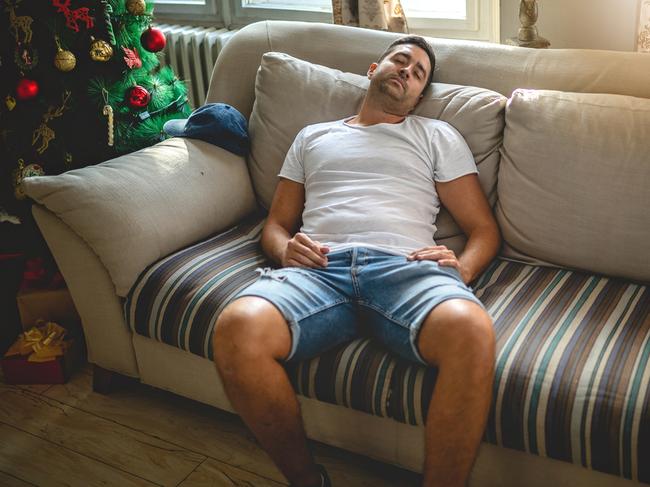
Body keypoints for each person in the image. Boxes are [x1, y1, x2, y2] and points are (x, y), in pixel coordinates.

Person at [213, 35, 501, 487]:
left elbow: (484, 231)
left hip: (404, 268)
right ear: (373, 68)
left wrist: (461, 269)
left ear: (419, 96)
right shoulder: (313, 136)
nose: (406, 71)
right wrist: (284, 248)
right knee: (237, 327)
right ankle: (308, 480)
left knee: (472, 330)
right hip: (318, 269)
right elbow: (276, 224)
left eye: (418, 73)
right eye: (400, 61)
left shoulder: (436, 135)